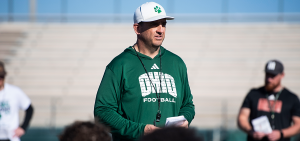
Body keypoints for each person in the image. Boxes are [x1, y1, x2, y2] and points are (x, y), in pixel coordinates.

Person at [94, 2, 195, 141]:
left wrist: (185, 120)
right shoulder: (119, 65)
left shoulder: (177, 63)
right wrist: (140, 130)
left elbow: (188, 104)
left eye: (163, 24)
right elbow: (102, 112)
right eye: (154, 24)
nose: (161, 30)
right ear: (137, 28)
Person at [238, 60, 300, 141]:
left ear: (282, 75)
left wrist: (281, 133)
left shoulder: (291, 98)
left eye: (273, 76)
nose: (269, 79)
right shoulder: (253, 94)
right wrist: (251, 131)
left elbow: (298, 125)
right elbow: (242, 118)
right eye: (267, 75)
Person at [0, 61, 34, 141]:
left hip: (11, 137)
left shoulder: (14, 91)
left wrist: (23, 127)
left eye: (1, 77)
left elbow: (29, 109)